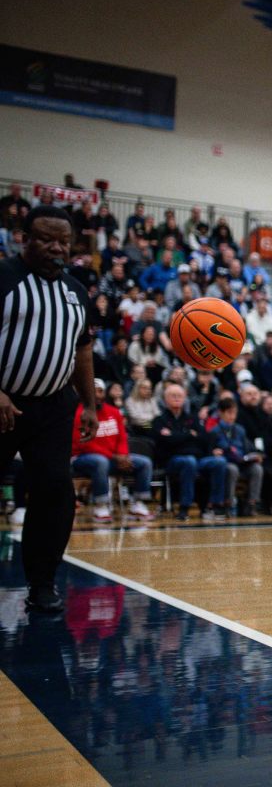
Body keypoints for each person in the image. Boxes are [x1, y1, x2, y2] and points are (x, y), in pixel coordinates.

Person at [0, 206, 97, 612]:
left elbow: (82, 350)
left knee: (56, 495)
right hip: (3, 403)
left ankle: (42, 584)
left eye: (63, 241)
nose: (56, 247)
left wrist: (90, 403)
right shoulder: (4, 278)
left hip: (54, 408)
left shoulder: (76, 290)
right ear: (24, 237)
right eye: (46, 238)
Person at [71, 378, 155, 522]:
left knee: (144, 462)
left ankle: (138, 504)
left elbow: (122, 437)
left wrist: (123, 455)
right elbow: (84, 444)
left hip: (112, 458)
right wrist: (115, 457)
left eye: (100, 391)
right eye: (93, 391)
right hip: (82, 458)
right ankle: (101, 505)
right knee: (100, 462)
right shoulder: (78, 414)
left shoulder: (114, 412)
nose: (97, 395)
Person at [153, 384, 228, 521]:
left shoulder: (191, 418)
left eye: (180, 395)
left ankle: (214, 505)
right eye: (173, 395)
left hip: (197, 458)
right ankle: (184, 507)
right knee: (189, 461)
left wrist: (177, 436)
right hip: (172, 460)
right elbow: (165, 442)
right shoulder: (159, 420)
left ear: (185, 398)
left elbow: (204, 437)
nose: (177, 398)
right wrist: (189, 435)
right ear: (165, 399)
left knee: (219, 462)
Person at [208, 397, 264, 516]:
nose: (232, 416)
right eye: (229, 413)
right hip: (228, 463)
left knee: (257, 469)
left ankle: (251, 503)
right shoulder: (214, 431)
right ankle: (229, 503)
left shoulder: (240, 429)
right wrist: (213, 452)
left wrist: (256, 455)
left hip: (242, 462)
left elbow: (249, 447)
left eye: (234, 413)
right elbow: (209, 450)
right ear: (221, 413)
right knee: (231, 469)